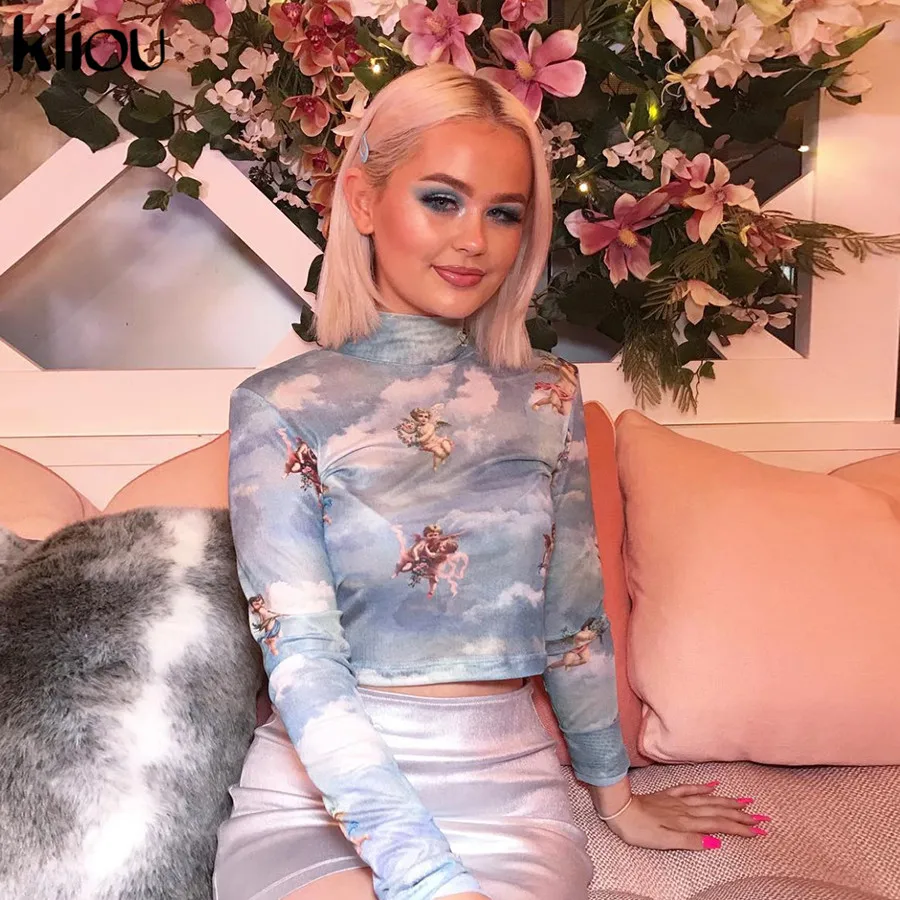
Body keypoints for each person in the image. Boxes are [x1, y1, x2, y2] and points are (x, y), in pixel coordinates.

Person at [215, 63, 768, 900]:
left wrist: (615, 797)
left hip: (508, 794)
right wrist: (428, 878)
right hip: (321, 799)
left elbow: (573, 618)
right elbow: (302, 658)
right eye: (442, 199)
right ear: (363, 201)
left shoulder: (547, 393)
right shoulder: (280, 406)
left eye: (504, 213)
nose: (474, 240)